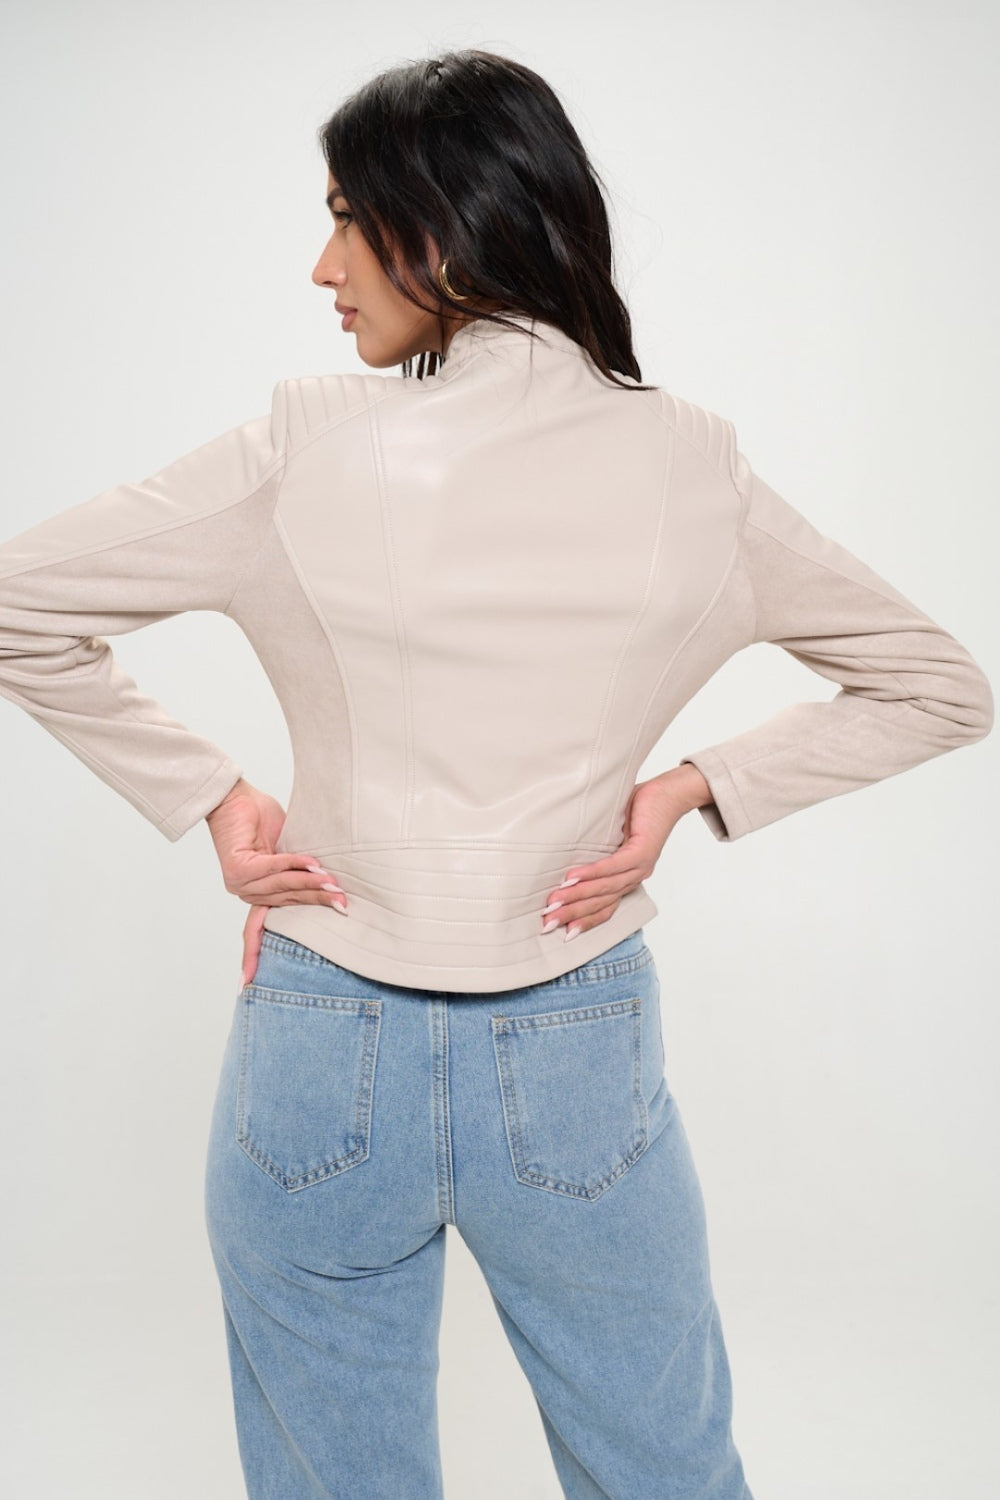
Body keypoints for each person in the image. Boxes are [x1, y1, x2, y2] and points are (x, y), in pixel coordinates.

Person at [0, 46, 992, 1500]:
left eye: (348, 215)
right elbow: (942, 686)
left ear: (441, 228)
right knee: (663, 1472)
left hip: (321, 1024)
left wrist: (209, 795)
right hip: (574, 1025)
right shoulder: (692, 465)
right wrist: (695, 786)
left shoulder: (301, 445)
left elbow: (18, 599)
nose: (321, 263)